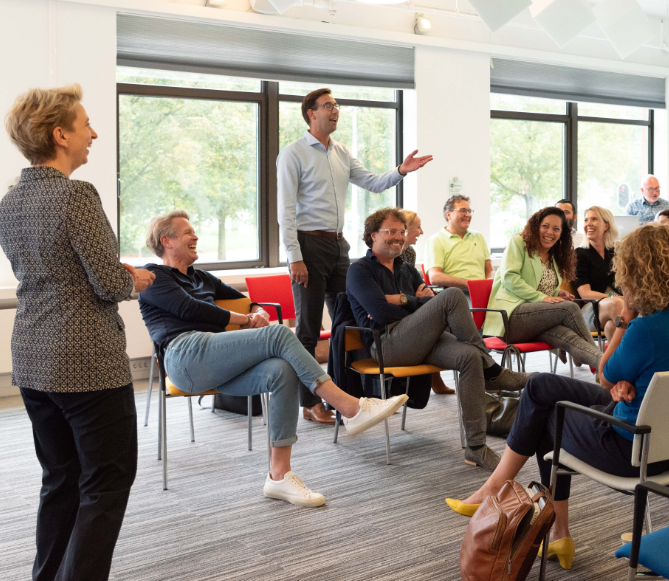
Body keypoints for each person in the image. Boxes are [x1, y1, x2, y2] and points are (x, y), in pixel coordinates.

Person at [445, 224, 669, 570]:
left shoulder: (645, 329)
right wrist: (625, 383)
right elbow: (632, 378)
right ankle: (529, 509)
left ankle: (526, 507)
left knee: (548, 415)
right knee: (541, 387)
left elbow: (603, 375)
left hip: (630, 450)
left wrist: (623, 320)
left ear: (636, 273)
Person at [139, 211, 407, 507]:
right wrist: (247, 319)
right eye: (187, 232)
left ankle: (279, 476)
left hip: (217, 360)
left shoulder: (201, 277)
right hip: (184, 357)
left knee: (281, 371)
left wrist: (257, 310)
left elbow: (244, 299)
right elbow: (190, 310)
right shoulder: (154, 276)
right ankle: (351, 407)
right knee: (279, 334)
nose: (196, 236)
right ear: (166, 240)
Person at [0, 84, 156, 581]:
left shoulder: (10, 201)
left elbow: (51, 271)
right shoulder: (76, 195)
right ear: (59, 133)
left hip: (31, 359)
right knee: (107, 482)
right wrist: (136, 277)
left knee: (61, 479)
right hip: (85, 361)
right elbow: (108, 283)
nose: (93, 133)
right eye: (86, 124)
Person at [277, 87, 432, 425]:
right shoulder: (293, 154)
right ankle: (308, 402)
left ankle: (346, 395)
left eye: (336, 106)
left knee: (349, 322)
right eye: (328, 106)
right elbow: (285, 211)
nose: (335, 111)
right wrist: (294, 256)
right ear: (311, 113)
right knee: (307, 328)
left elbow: (374, 183)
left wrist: (401, 171)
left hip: (337, 245)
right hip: (307, 245)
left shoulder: (342, 152)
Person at [346, 208, 530, 471]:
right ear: (373, 235)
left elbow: (427, 302)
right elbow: (380, 312)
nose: (398, 237)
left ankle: (475, 447)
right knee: (453, 296)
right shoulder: (359, 270)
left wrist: (403, 300)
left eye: (401, 232)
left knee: (467, 358)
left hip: (422, 339)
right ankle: (494, 370)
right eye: (391, 232)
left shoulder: (406, 269)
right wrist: (415, 301)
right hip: (388, 345)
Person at [483, 207, 603, 369]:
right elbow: (510, 279)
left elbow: (538, 285)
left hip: (536, 320)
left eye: (556, 229)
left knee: (569, 337)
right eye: (545, 226)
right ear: (536, 226)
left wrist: (556, 292)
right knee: (570, 308)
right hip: (510, 317)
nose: (549, 232)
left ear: (562, 234)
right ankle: (601, 368)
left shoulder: (554, 254)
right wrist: (542, 298)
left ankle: (605, 369)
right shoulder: (519, 242)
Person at [400, 209, 454, 395]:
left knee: (442, 314)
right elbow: (403, 292)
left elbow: (419, 286)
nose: (421, 232)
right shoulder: (389, 254)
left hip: (413, 302)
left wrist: (420, 295)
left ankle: (435, 375)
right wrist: (416, 297)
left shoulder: (409, 252)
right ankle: (434, 376)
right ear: (405, 229)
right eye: (418, 227)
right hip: (402, 309)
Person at [574, 206, 625, 341]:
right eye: (586, 220)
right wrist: (614, 297)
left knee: (610, 326)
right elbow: (585, 294)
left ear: (606, 225)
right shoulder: (580, 254)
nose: (588, 224)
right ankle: (637, 357)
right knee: (617, 304)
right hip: (592, 308)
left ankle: (611, 361)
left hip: (617, 308)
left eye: (594, 219)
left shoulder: (615, 252)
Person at [425, 195, 492, 292]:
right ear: (449, 215)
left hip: (482, 291)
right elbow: (435, 277)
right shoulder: (436, 240)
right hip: (456, 293)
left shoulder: (478, 237)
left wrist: (490, 283)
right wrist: (469, 284)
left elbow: (489, 270)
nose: (468, 215)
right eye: (463, 211)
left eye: (469, 211)